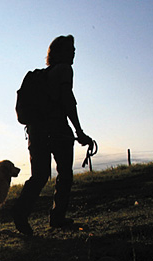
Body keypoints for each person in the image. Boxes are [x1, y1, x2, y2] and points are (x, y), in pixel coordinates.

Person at [12, 35, 94, 236]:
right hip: (57, 129)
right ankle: (57, 217)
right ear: (59, 53)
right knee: (65, 174)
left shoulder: (41, 76)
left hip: (35, 131)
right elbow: (68, 100)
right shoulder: (64, 69)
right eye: (70, 49)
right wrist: (79, 131)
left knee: (39, 175)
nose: (74, 53)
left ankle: (20, 214)